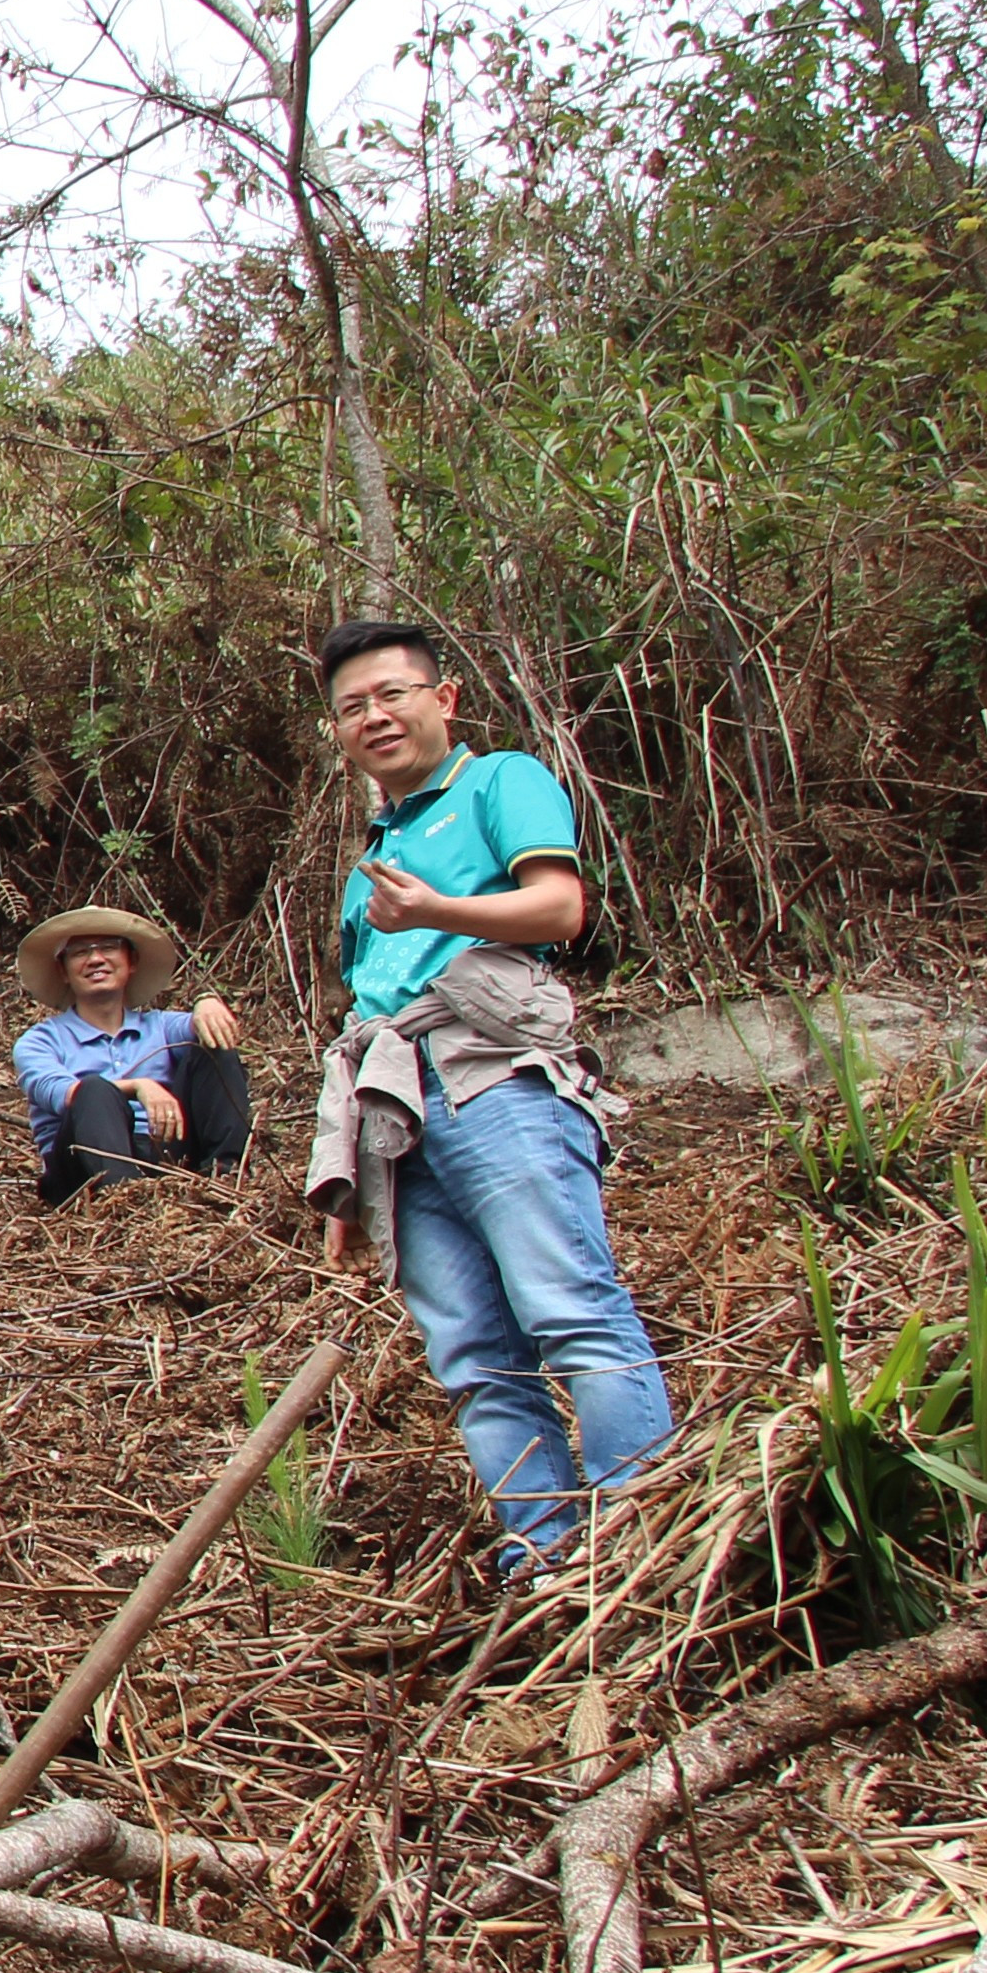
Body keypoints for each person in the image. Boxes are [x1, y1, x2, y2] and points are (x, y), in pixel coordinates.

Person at [300, 620, 672, 1570]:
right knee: (471, 1356)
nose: (375, 717)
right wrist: (343, 1176)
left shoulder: (500, 780)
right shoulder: (369, 862)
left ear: (443, 699)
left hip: (496, 1083)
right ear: (338, 732)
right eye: (353, 708)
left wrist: (433, 908)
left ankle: (639, 1543)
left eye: (393, 695)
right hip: (397, 1119)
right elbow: (366, 1017)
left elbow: (558, 908)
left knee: (570, 1310)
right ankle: (547, 1562)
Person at [8, 906, 251, 1203]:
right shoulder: (40, 1041)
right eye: (80, 952)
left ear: (131, 961)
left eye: (109, 947)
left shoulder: (160, 1026)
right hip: (81, 1168)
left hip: (163, 1153)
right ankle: (123, 1201)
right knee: (93, 1089)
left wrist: (207, 1001)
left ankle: (224, 1174)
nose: (96, 959)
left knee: (213, 1046)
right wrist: (139, 1086)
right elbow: (62, 1093)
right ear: (63, 971)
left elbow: (205, 1026)